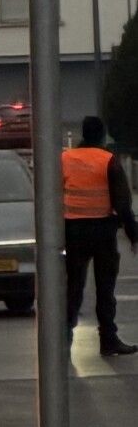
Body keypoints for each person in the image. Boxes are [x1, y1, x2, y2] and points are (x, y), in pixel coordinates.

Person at [63, 113, 138, 356]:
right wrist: (132, 233)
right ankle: (108, 339)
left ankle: (64, 337)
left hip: (73, 230)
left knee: (73, 286)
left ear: (84, 133)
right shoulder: (108, 160)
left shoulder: (66, 158)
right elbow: (123, 202)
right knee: (105, 289)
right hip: (102, 232)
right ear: (102, 134)